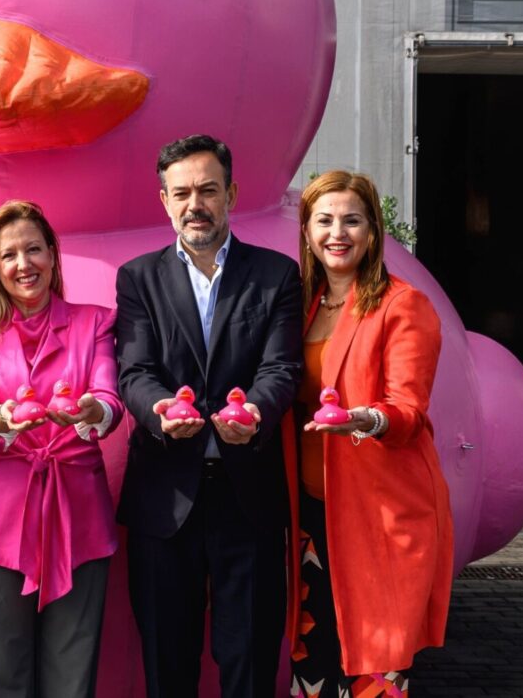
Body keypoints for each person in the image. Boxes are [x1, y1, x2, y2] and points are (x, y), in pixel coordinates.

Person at [115, 134, 302, 698]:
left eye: (208, 190)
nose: (195, 203)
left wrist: (258, 414)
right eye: (182, 193)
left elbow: (282, 368)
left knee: (248, 660)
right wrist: (159, 410)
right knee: (167, 663)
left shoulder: (276, 275)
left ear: (232, 194)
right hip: (164, 496)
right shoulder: (138, 279)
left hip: (248, 497)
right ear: (164, 201)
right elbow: (134, 370)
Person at [0, 200, 123, 698]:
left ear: (52, 255)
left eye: (34, 250)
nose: (24, 264)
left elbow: (110, 400)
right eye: (9, 255)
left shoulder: (96, 322)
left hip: (79, 520)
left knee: (71, 678)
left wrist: (94, 412)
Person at [291, 169, 454, 698]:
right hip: (314, 513)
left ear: (373, 231)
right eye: (325, 220)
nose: (338, 233)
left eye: (352, 220)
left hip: (378, 514)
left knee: (373, 667)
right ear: (308, 231)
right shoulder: (304, 305)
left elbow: (409, 409)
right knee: (313, 659)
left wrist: (369, 419)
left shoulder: (402, 304)